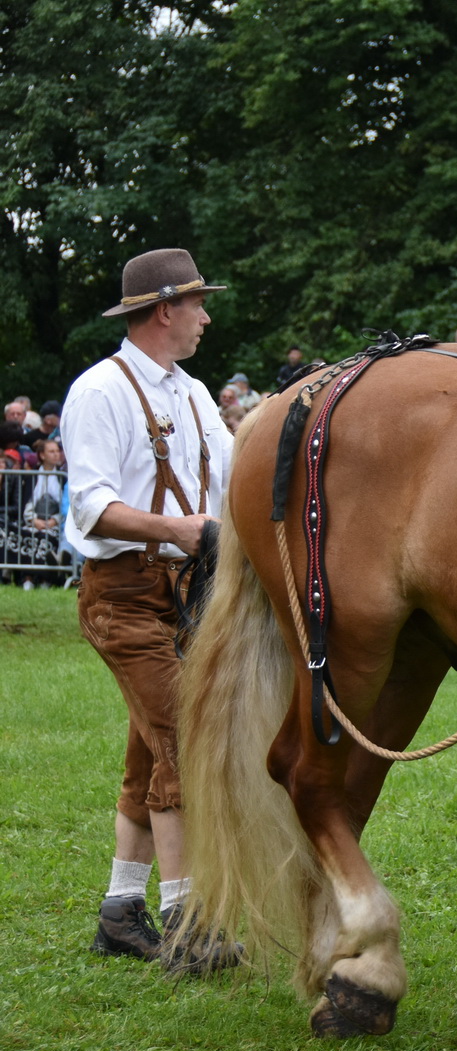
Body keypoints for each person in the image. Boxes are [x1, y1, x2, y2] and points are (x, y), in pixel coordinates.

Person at [60, 248, 242, 974]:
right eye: (198, 303)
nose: (206, 317)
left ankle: (119, 912)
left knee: (150, 749)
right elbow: (91, 505)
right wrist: (179, 530)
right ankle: (187, 922)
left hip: (188, 595)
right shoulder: (99, 390)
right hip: (123, 595)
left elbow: (235, 477)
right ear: (164, 309)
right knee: (185, 740)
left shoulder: (193, 394)